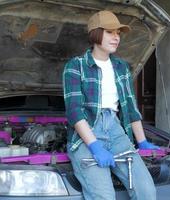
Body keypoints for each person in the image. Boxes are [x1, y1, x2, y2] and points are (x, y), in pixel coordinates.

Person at [63, 10, 159, 200]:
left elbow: (130, 108)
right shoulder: (76, 66)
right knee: (104, 196)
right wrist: (95, 146)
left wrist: (142, 141)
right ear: (96, 33)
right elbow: (75, 111)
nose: (116, 38)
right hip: (87, 132)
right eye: (110, 32)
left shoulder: (121, 67)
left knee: (147, 191)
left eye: (118, 33)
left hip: (116, 130)